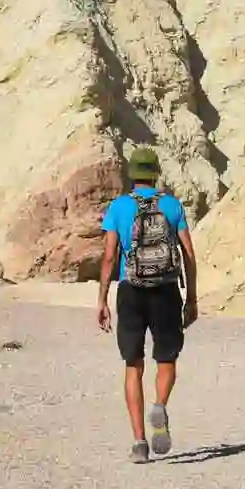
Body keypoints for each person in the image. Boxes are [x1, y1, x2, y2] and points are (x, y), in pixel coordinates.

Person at [96, 145, 198, 463]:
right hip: (166, 291)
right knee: (166, 360)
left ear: (132, 174)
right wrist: (191, 297)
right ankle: (160, 406)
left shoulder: (118, 207)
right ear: (155, 172)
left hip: (131, 290)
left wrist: (101, 299)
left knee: (133, 365)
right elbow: (188, 255)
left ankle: (140, 443)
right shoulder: (171, 206)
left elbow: (110, 255)